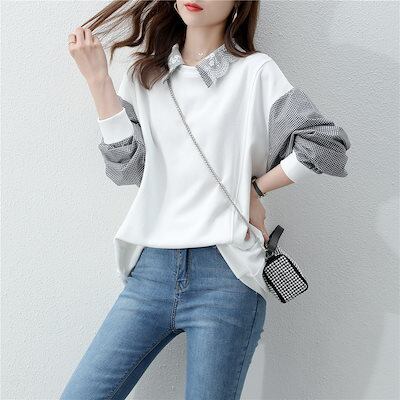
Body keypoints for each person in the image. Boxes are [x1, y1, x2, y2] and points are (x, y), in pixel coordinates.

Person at [61, 1, 351, 399]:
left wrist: (255, 190)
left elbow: (327, 146)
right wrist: (98, 81)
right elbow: (128, 170)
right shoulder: (145, 76)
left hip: (225, 275)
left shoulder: (255, 72)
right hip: (150, 271)